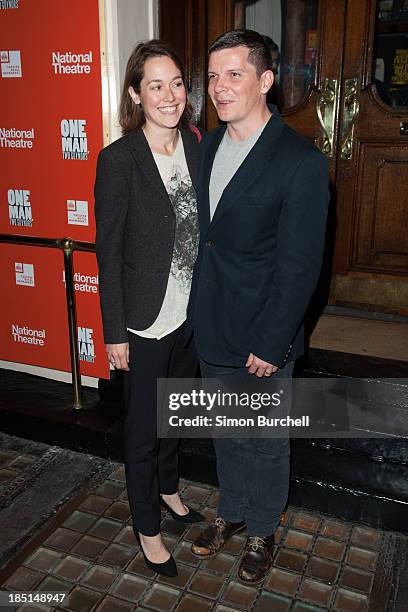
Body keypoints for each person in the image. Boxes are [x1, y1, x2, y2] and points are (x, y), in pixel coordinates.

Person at [188, 29, 329, 584]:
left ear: (266, 81)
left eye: (234, 75)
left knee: (265, 439)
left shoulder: (300, 162)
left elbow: (299, 267)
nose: (219, 88)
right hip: (213, 321)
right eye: (215, 76)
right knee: (227, 429)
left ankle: (264, 528)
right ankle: (233, 512)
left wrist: (273, 342)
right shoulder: (207, 147)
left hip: (262, 333)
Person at [94, 40, 204, 578]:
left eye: (177, 83)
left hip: (190, 316)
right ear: (136, 94)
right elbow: (108, 253)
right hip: (144, 319)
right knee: (142, 429)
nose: (169, 95)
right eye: (155, 86)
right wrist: (115, 331)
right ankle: (146, 525)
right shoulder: (118, 160)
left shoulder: (198, 147)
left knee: (176, 414)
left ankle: (167, 489)